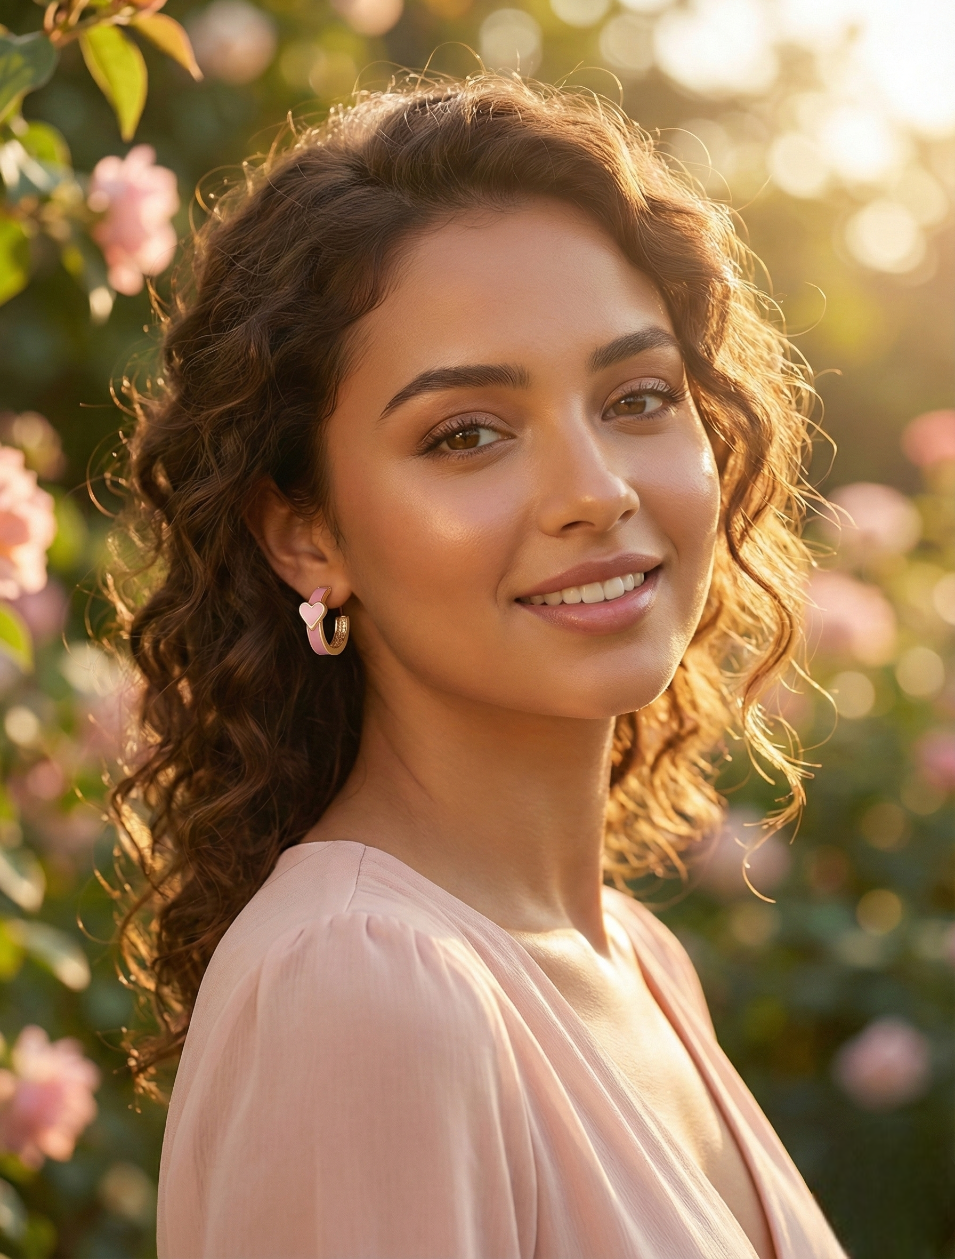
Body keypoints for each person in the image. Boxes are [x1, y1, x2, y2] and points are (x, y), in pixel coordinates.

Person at [110, 75, 847, 1258]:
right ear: (307, 532)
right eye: (466, 433)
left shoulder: (636, 956)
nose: (596, 490)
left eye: (638, 396)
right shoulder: (360, 991)